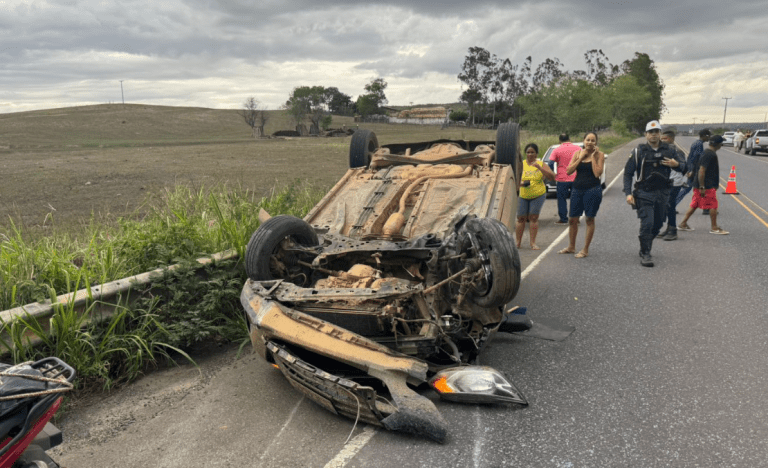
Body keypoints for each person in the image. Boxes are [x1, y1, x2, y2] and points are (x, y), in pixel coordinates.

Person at [623, 121, 685, 267]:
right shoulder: (639, 152)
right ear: (646, 134)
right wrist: (628, 193)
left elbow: (685, 167)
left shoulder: (670, 150)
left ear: (660, 134)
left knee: (658, 223)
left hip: (663, 193)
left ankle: (646, 243)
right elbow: (628, 174)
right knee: (647, 222)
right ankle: (645, 253)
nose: (653, 134)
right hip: (644, 192)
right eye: (650, 132)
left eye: (656, 131)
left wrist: (676, 165)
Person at [557, 132, 604, 258]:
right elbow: (568, 171)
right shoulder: (578, 153)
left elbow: (597, 174)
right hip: (577, 189)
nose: (590, 142)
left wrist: (593, 157)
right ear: (583, 141)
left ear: (596, 143)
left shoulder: (600, 155)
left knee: (589, 219)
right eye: (587, 140)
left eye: (593, 140)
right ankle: (571, 247)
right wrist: (580, 158)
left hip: (592, 190)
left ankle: (585, 249)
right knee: (572, 219)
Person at [677, 135, 729, 235]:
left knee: (695, 204)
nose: (721, 145)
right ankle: (714, 227)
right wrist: (702, 186)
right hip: (706, 185)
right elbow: (702, 170)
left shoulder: (706, 152)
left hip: (701, 184)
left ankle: (683, 223)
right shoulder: (709, 154)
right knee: (713, 205)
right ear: (717, 144)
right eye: (721, 143)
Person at [516, 143, 556, 250]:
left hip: (538, 194)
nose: (530, 154)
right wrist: (520, 183)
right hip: (523, 194)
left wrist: (540, 168)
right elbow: (514, 177)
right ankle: (518, 242)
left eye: (532, 152)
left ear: (536, 153)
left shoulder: (541, 164)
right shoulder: (521, 164)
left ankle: (532, 243)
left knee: (533, 218)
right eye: (528, 152)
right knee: (520, 218)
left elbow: (552, 177)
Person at [657, 130, 687, 241]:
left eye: (664, 138)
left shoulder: (677, 151)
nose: (662, 140)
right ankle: (669, 228)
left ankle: (673, 231)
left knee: (669, 205)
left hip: (675, 182)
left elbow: (684, 166)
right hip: (666, 182)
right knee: (668, 206)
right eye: (662, 139)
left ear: (670, 139)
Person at [549, 133, 580, 225]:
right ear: (569, 139)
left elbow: (550, 163)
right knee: (576, 198)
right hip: (576, 178)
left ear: (559, 141)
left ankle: (563, 219)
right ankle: (576, 219)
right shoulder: (578, 148)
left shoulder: (557, 149)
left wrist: (553, 174)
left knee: (561, 199)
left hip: (562, 178)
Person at [675, 128, 710, 208]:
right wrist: (692, 171)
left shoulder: (697, 143)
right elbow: (695, 158)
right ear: (704, 136)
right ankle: (672, 204)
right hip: (694, 169)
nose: (709, 138)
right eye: (708, 136)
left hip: (693, 168)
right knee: (690, 188)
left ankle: (706, 207)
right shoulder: (699, 144)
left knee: (694, 188)